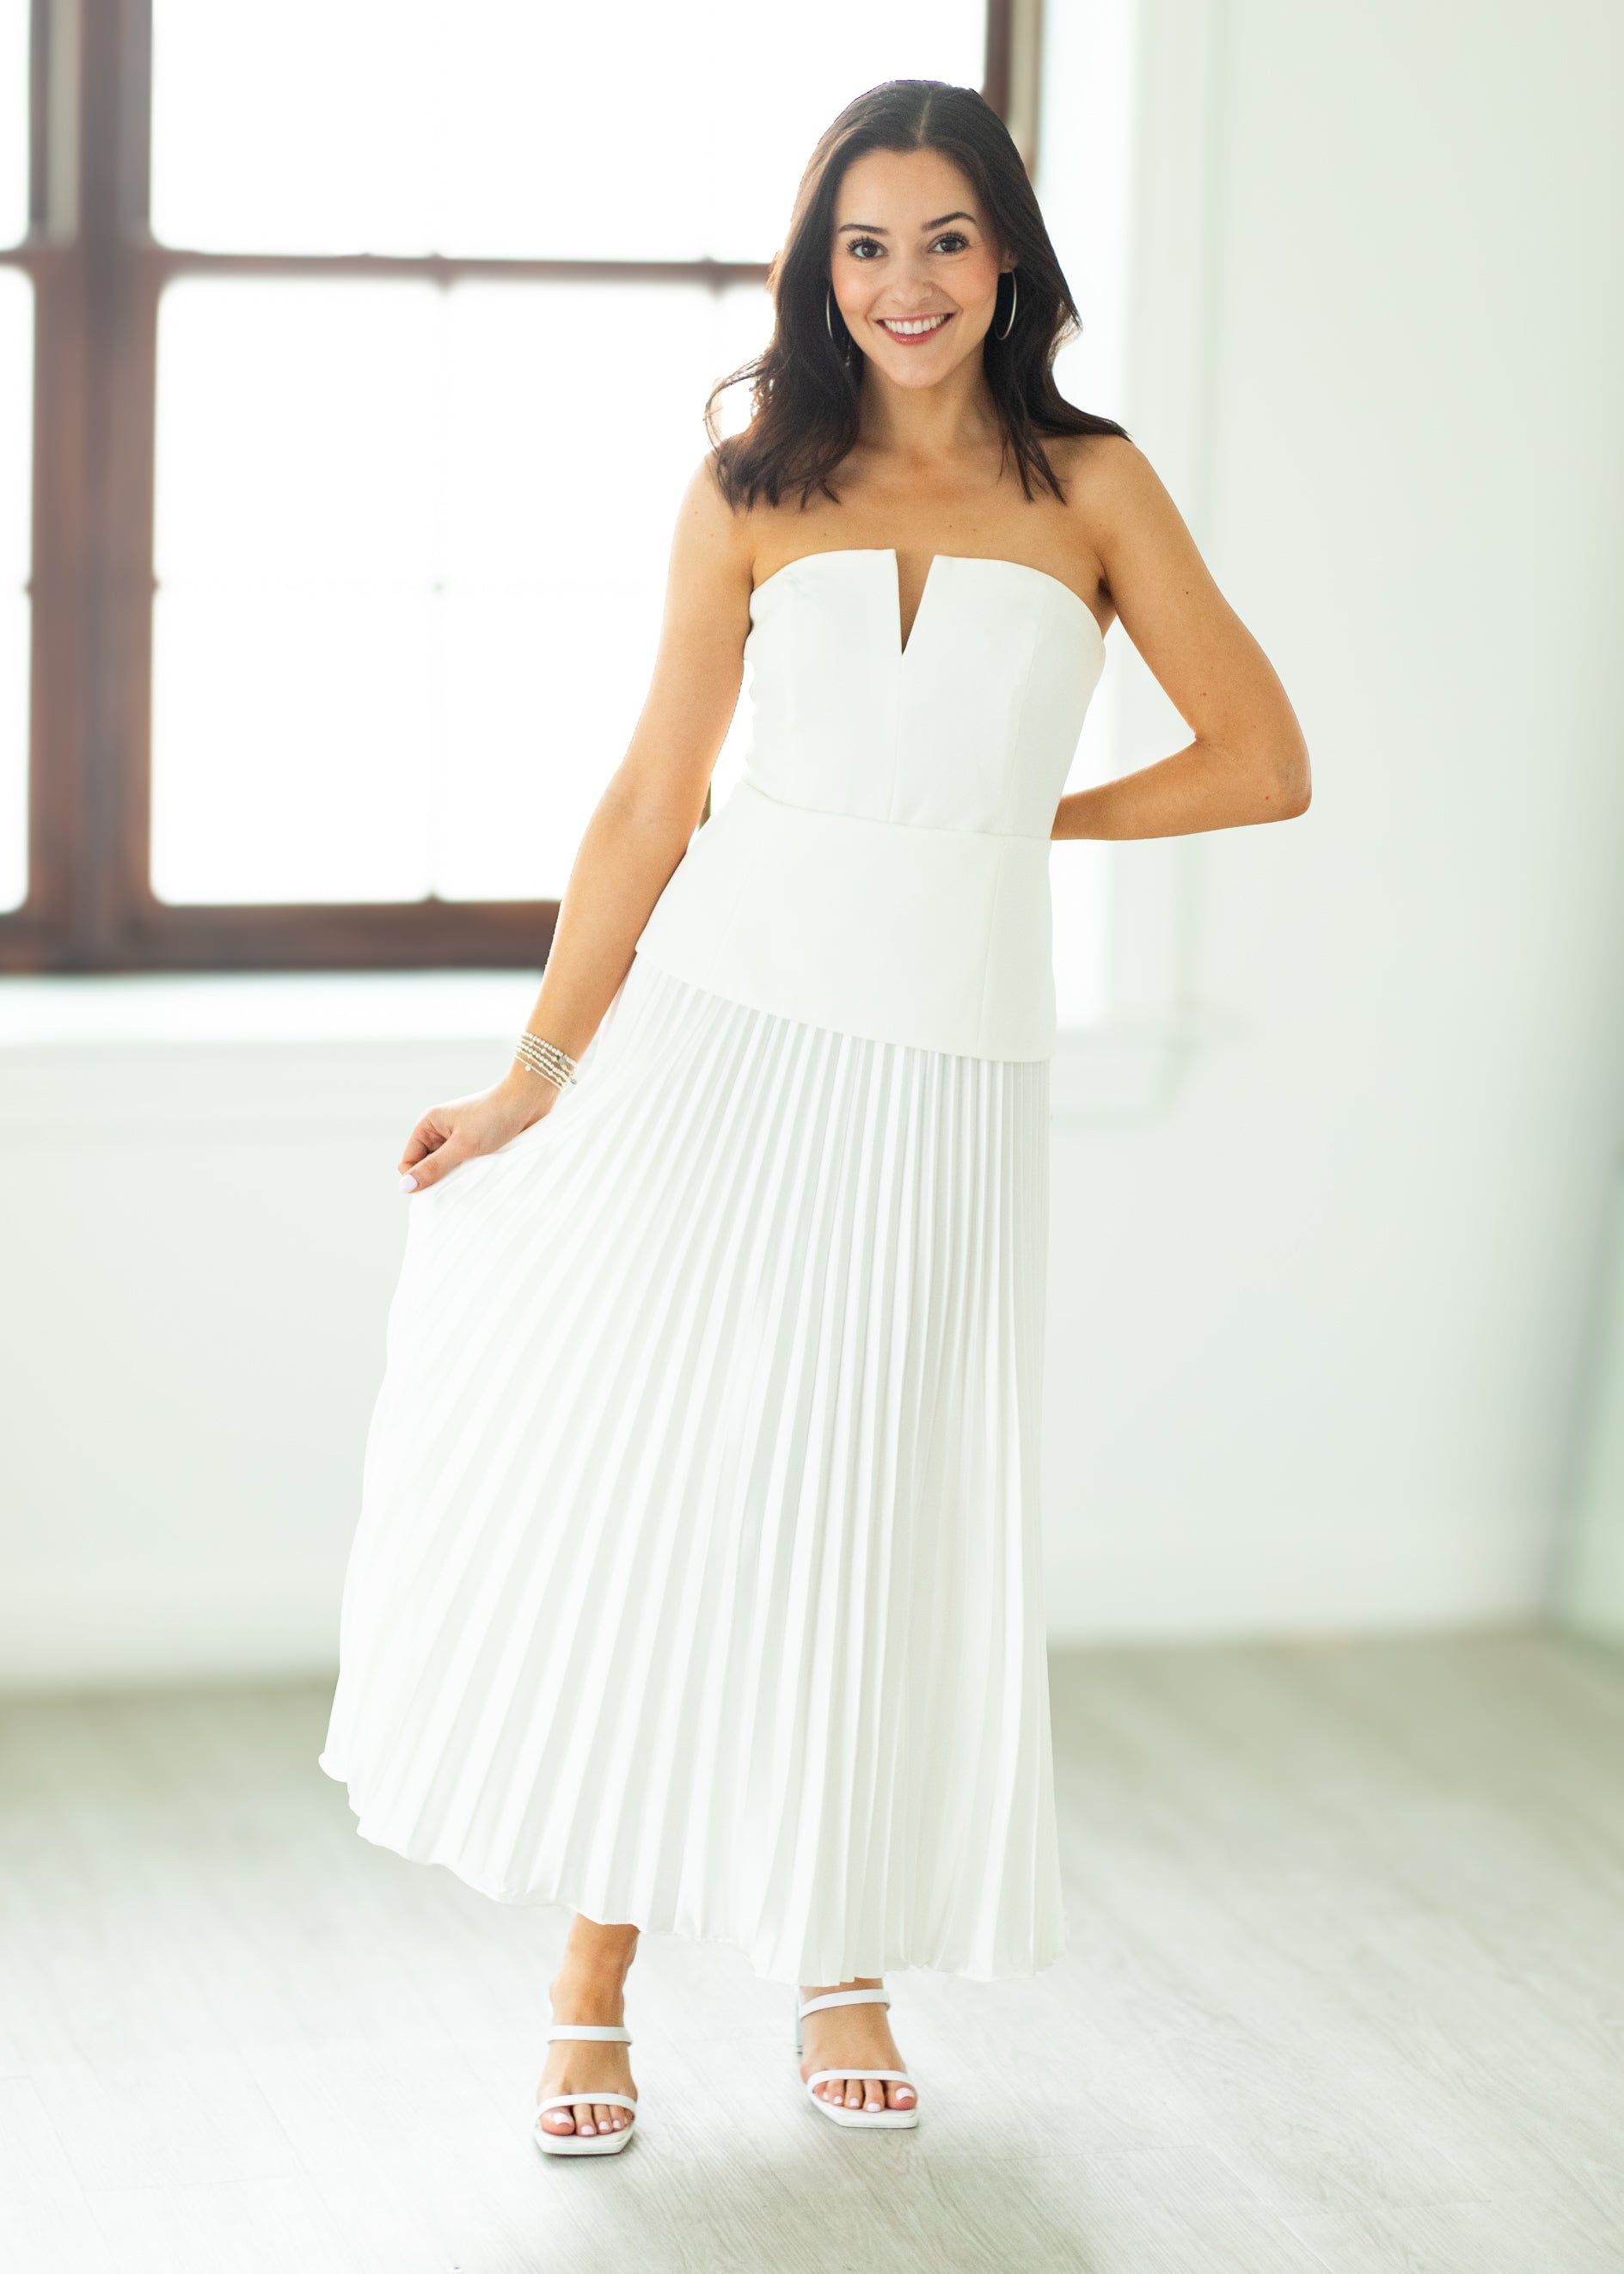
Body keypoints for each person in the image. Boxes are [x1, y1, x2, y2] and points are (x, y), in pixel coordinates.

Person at [319, 77, 1310, 2160]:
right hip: (717, 1033)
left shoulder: (1093, 486)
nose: (907, 282)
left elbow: (1259, 758)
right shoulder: (754, 481)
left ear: (1010, 253)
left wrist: (1013, 822)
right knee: (673, 1490)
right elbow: (646, 808)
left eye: (945, 238)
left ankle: (837, 1951)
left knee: (881, 1497)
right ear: (819, 264)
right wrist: (536, 1079)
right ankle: (592, 1964)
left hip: (946, 1060)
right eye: (866, 243)